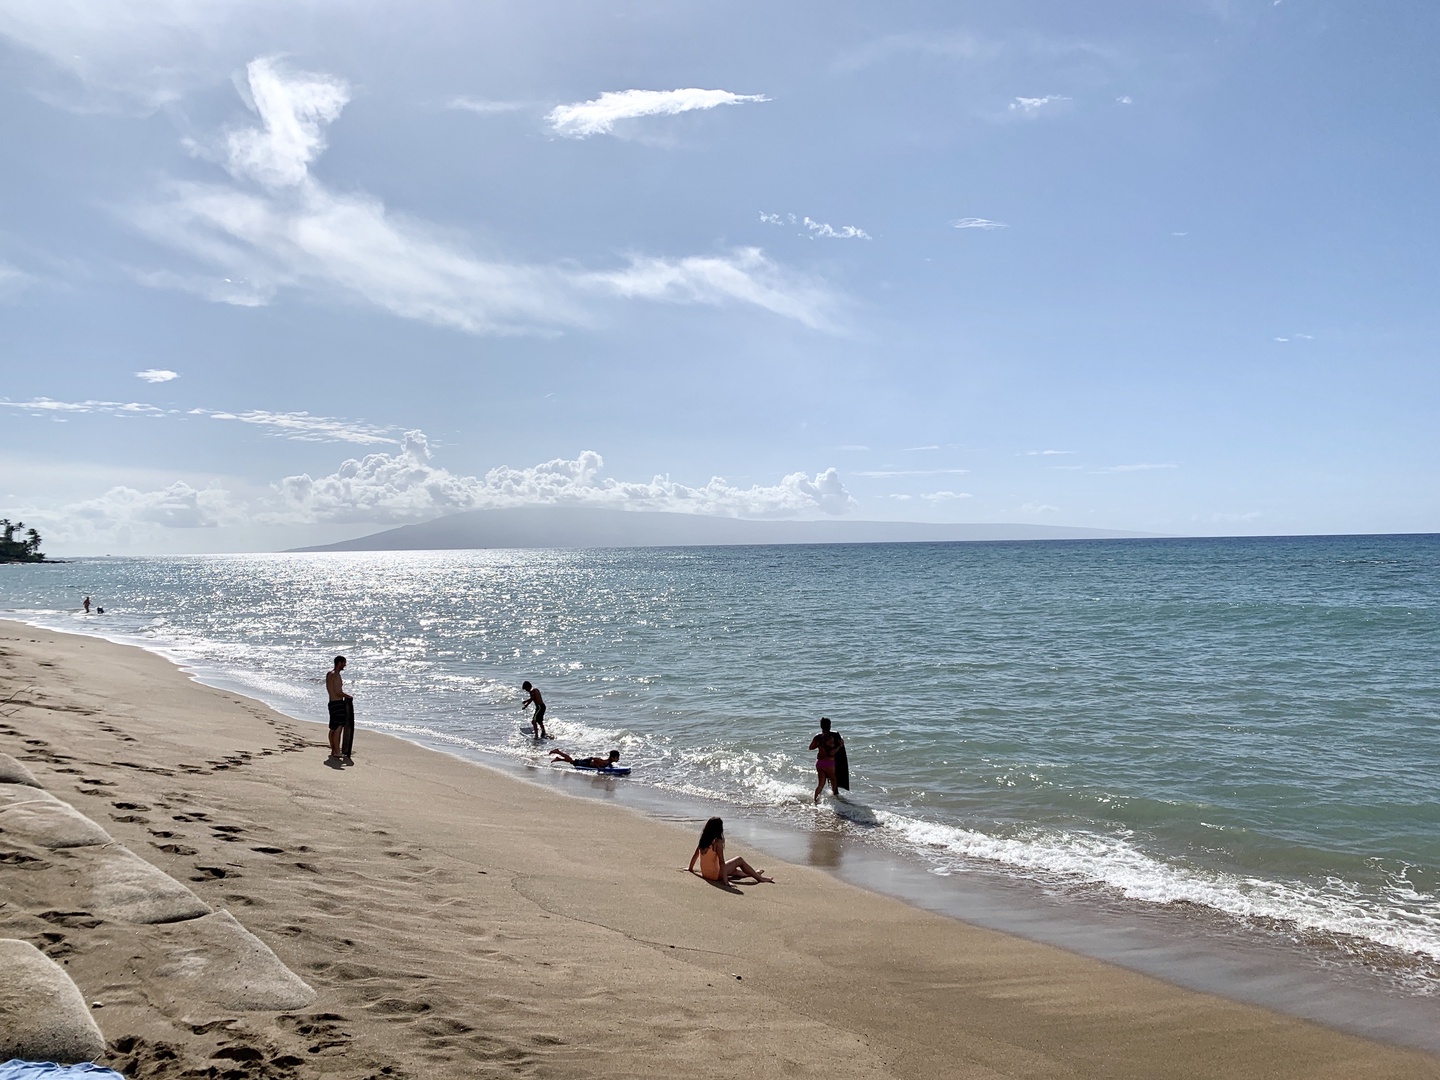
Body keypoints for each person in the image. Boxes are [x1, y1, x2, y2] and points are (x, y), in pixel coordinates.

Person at [687, 818, 772, 886]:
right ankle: (760, 878)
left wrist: (690, 869)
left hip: (705, 874)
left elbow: (695, 855)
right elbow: (722, 863)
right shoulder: (717, 843)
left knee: (734, 871)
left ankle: (754, 873)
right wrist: (726, 881)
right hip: (715, 875)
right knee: (739, 860)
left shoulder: (703, 840)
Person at [326, 656, 355, 764]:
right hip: (337, 703)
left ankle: (333, 750)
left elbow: (331, 690)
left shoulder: (329, 674)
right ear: (339, 663)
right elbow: (338, 691)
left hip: (331, 702)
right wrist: (348, 696)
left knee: (332, 727)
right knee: (338, 727)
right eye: (344, 663)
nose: (345, 665)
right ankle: (337, 751)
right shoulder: (336, 675)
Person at [809, 716, 844, 804]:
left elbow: (811, 747)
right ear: (830, 726)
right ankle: (837, 803)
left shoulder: (817, 737)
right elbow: (831, 753)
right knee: (834, 783)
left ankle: (815, 802)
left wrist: (820, 745)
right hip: (829, 763)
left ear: (821, 726)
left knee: (820, 785)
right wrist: (840, 746)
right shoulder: (831, 737)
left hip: (819, 763)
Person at [550, 748, 621, 769]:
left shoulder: (609, 762)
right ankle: (558, 752)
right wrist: (598, 766)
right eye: (617, 757)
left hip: (588, 762)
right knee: (572, 761)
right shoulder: (605, 762)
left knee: (572, 761)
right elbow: (595, 759)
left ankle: (559, 759)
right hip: (587, 763)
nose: (618, 759)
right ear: (612, 757)